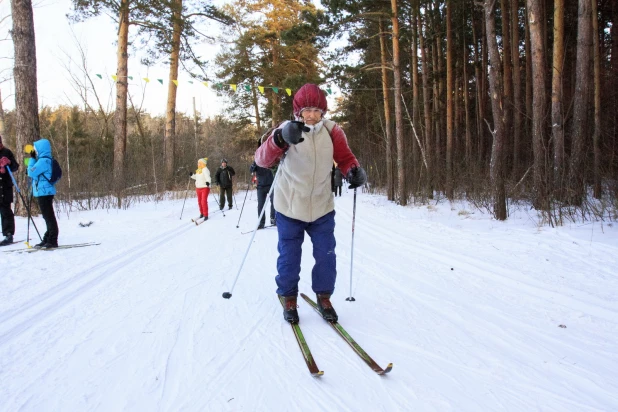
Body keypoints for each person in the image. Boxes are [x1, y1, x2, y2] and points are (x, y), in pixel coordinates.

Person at [255, 83, 367, 324]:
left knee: (326, 255)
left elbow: (346, 158)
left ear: (323, 111)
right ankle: (289, 298)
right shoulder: (287, 130)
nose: (312, 115)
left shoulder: (332, 131)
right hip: (289, 206)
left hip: (321, 206)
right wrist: (279, 139)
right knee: (289, 256)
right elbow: (262, 160)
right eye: (306, 110)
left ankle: (324, 297)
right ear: (298, 111)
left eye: (316, 110)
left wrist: (353, 171)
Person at [26, 138, 59, 249]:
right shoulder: (44, 160)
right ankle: (48, 237)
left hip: (44, 192)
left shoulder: (43, 161)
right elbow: (35, 174)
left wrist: (31, 159)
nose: (35, 151)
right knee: (47, 216)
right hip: (43, 192)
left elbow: (31, 172)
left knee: (49, 216)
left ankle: (52, 239)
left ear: (41, 149)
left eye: (36, 149)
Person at [0, 135, 19, 246]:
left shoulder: (7, 152)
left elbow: (15, 166)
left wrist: (9, 163)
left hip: (5, 187)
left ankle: (8, 234)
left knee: (6, 211)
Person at [250, 151, 275, 229]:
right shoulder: (257, 161)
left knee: (274, 202)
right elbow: (251, 170)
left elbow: (275, 167)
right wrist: (253, 166)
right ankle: (261, 222)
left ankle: (273, 218)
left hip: (271, 185)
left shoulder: (270, 159)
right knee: (261, 205)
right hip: (260, 186)